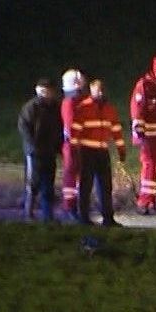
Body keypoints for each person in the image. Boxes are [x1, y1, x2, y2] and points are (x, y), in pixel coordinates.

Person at [69, 79, 126, 226]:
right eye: (97, 90)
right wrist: (74, 151)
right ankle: (83, 218)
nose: (100, 93)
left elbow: (116, 130)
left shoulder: (109, 108)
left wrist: (121, 149)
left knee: (105, 186)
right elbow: (75, 132)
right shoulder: (83, 108)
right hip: (87, 151)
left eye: (101, 90)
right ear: (91, 90)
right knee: (85, 186)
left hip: (102, 151)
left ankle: (108, 218)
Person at [128, 56, 156, 215]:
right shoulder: (144, 86)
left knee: (154, 170)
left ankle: (150, 201)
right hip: (147, 137)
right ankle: (143, 202)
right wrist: (139, 132)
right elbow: (138, 110)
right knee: (148, 168)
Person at [17, 79, 62, 221]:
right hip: (34, 152)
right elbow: (23, 126)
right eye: (42, 90)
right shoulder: (31, 107)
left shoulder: (55, 107)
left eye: (48, 90)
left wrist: (58, 146)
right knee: (32, 184)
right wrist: (31, 145)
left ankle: (48, 215)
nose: (46, 93)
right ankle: (28, 214)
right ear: (37, 90)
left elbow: (59, 127)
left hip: (50, 151)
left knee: (48, 185)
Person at [58, 69, 85, 218]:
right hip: (72, 145)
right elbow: (70, 126)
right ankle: (69, 207)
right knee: (70, 175)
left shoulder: (76, 102)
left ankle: (76, 206)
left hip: (78, 144)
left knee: (78, 176)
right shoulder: (69, 103)